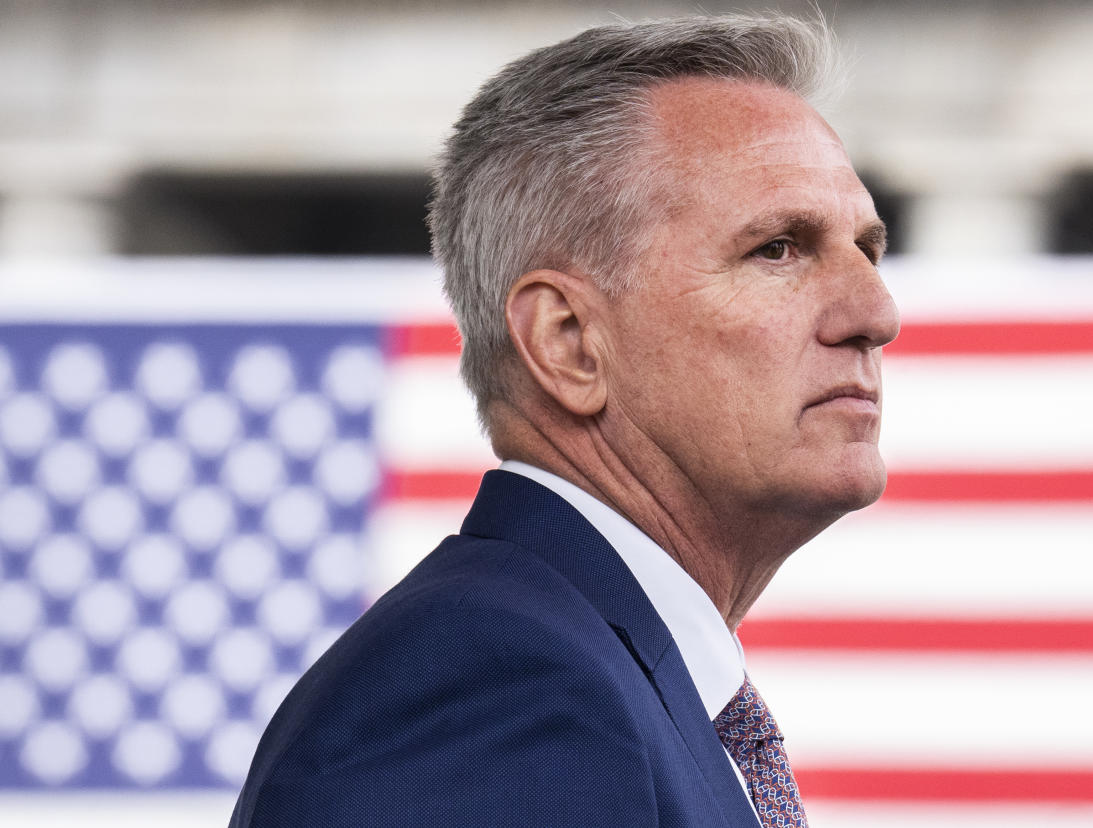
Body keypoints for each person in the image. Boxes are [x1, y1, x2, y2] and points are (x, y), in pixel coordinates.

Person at [229, 14, 898, 827]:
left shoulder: (594, 669)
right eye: (779, 249)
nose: (876, 311)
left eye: (868, 249)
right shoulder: (498, 684)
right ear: (569, 343)